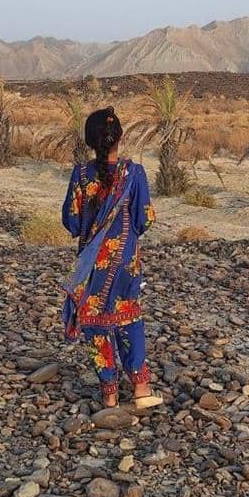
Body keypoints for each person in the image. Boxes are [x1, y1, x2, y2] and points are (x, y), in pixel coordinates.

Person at [61, 107, 163, 410]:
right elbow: (145, 219)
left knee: (94, 322)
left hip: (92, 266)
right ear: (119, 137)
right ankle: (141, 389)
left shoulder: (81, 174)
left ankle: (109, 395)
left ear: (90, 141)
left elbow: (72, 222)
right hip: (125, 263)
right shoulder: (135, 173)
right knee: (128, 318)